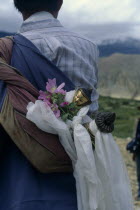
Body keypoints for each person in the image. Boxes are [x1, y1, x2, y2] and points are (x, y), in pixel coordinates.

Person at [0, 0, 99, 209]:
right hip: (76, 154)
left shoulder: (6, 50)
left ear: (17, 5)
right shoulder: (88, 46)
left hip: (19, 155)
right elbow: (91, 105)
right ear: (60, 3)